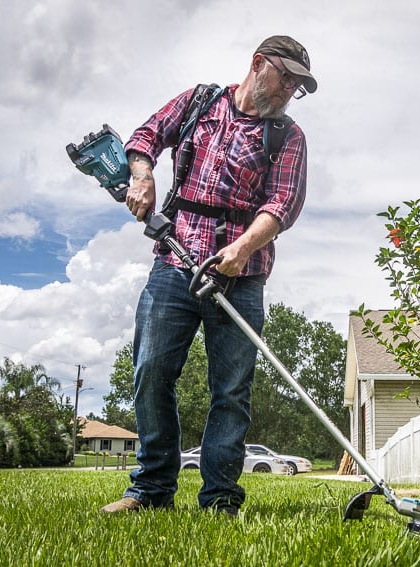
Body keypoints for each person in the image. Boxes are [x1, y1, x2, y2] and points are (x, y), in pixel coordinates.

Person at [100, 35, 316, 515]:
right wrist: (142, 175)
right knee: (151, 371)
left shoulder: (288, 136)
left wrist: (239, 250)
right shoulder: (199, 102)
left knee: (231, 390)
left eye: (298, 86)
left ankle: (220, 497)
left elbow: (283, 204)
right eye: (286, 78)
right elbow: (145, 138)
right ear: (259, 64)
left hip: (243, 274)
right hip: (174, 264)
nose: (289, 91)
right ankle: (151, 491)